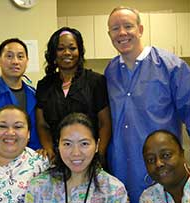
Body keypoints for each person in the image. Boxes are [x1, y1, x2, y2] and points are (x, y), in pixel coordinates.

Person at [104, 6, 190, 203]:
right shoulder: (110, 72)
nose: (122, 33)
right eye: (115, 28)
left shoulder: (170, 66)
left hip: (164, 171)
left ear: (140, 29)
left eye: (128, 26)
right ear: (109, 35)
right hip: (120, 170)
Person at [36, 27, 111, 162]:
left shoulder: (96, 81)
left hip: (90, 157)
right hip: (57, 158)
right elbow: (42, 124)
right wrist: (49, 149)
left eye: (72, 48)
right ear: (53, 53)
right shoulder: (44, 85)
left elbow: (104, 123)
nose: (67, 53)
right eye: (60, 49)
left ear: (80, 51)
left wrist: (99, 153)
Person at [25, 113, 128, 202]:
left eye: (84, 144)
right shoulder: (39, 186)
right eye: (67, 144)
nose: (76, 153)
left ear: (97, 145)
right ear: (58, 145)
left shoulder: (113, 190)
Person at [0, 38, 41, 150]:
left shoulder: (34, 94)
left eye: (20, 57)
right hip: (0, 162)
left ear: (27, 61)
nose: (15, 61)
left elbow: (38, 133)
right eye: (9, 56)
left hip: (31, 161)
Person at [140, 129, 190, 203]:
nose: (158, 164)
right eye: (151, 160)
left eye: (166, 155)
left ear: (182, 154)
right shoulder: (148, 198)